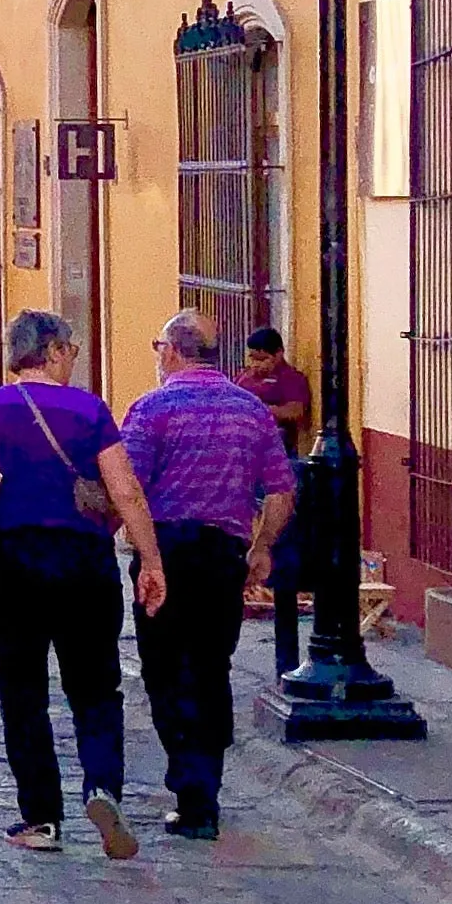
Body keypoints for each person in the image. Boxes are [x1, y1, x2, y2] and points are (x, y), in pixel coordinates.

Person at [0, 309, 167, 858]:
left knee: (23, 693)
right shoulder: (89, 409)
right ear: (51, 352)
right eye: (69, 348)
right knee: (95, 686)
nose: (73, 357)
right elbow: (126, 492)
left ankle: (41, 818)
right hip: (83, 563)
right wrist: (152, 560)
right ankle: (102, 786)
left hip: (13, 564)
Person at [123, 313, 297, 839]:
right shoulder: (251, 411)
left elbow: (127, 487)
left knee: (163, 667)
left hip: (166, 553)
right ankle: (206, 788)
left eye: (158, 347)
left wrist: (139, 550)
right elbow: (282, 490)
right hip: (225, 555)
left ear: (172, 352)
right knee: (211, 663)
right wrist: (263, 546)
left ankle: (188, 782)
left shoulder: (151, 408)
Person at [238, 323, 317, 673]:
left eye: (263, 359)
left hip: (278, 462)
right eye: (252, 359)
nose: (256, 365)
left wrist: (261, 411)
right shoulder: (243, 380)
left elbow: (297, 413)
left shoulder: (290, 379)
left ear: (278, 355)